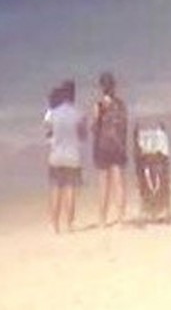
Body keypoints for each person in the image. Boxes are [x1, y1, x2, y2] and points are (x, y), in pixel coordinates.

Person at [44, 80, 87, 234]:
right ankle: (69, 224)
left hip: (56, 156)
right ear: (74, 95)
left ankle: (54, 225)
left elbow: (48, 134)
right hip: (72, 156)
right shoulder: (79, 114)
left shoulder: (53, 114)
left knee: (56, 190)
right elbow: (83, 136)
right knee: (70, 191)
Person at [92, 72, 129, 227]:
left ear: (101, 88)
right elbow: (124, 126)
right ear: (114, 86)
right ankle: (120, 218)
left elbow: (94, 128)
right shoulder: (121, 105)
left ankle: (102, 220)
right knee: (118, 183)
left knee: (103, 185)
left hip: (103, 146)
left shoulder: (98, 106)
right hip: (118, 146)